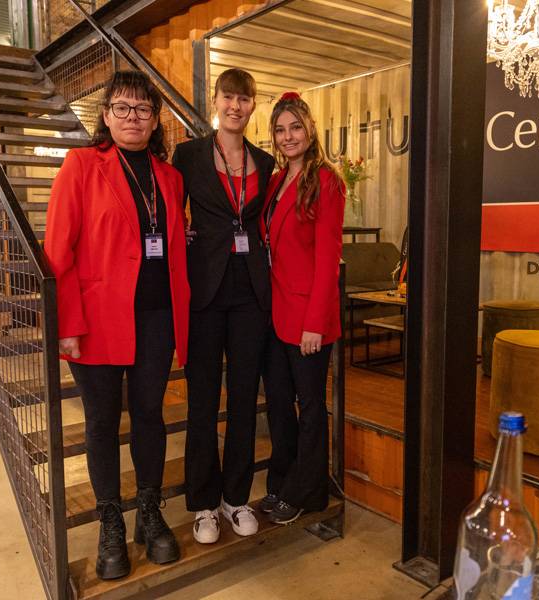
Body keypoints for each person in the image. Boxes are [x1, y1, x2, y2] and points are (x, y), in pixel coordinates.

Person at [45, 70, 190, 580]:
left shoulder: (169, 178)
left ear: (155, 120)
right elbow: (58, 250)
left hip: (156, 320)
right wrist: (66, 322)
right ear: (106, 116)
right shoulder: (82, 165)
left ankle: (149, 514)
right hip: (97, 321)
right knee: (103, 422)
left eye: (144, 109)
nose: (134, 117)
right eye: (123, 108)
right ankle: (111, 519)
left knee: (150, 415)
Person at [172, 68, 275, 543]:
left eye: (244, 99)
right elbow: (171, 214)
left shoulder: (266, 162)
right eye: (228, 97)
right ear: (215, 101)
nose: (236, 106)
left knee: (242, 400)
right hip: (204, 292)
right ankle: (203, 504)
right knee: (202, 401)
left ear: (254, 105)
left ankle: (236, 498)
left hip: (251, 292)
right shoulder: (188, 155)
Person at [258, 92, 344, 524]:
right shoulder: (275, 182)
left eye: (295, 127)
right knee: (277, 404)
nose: (288, 136)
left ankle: (309, 492)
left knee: (310, 407)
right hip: (276, 315)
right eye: (280, 129)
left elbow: (328, 258)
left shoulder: (326, 180)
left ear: (309, 130)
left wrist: (314, 323)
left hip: (309, 318)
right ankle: (283, 482)